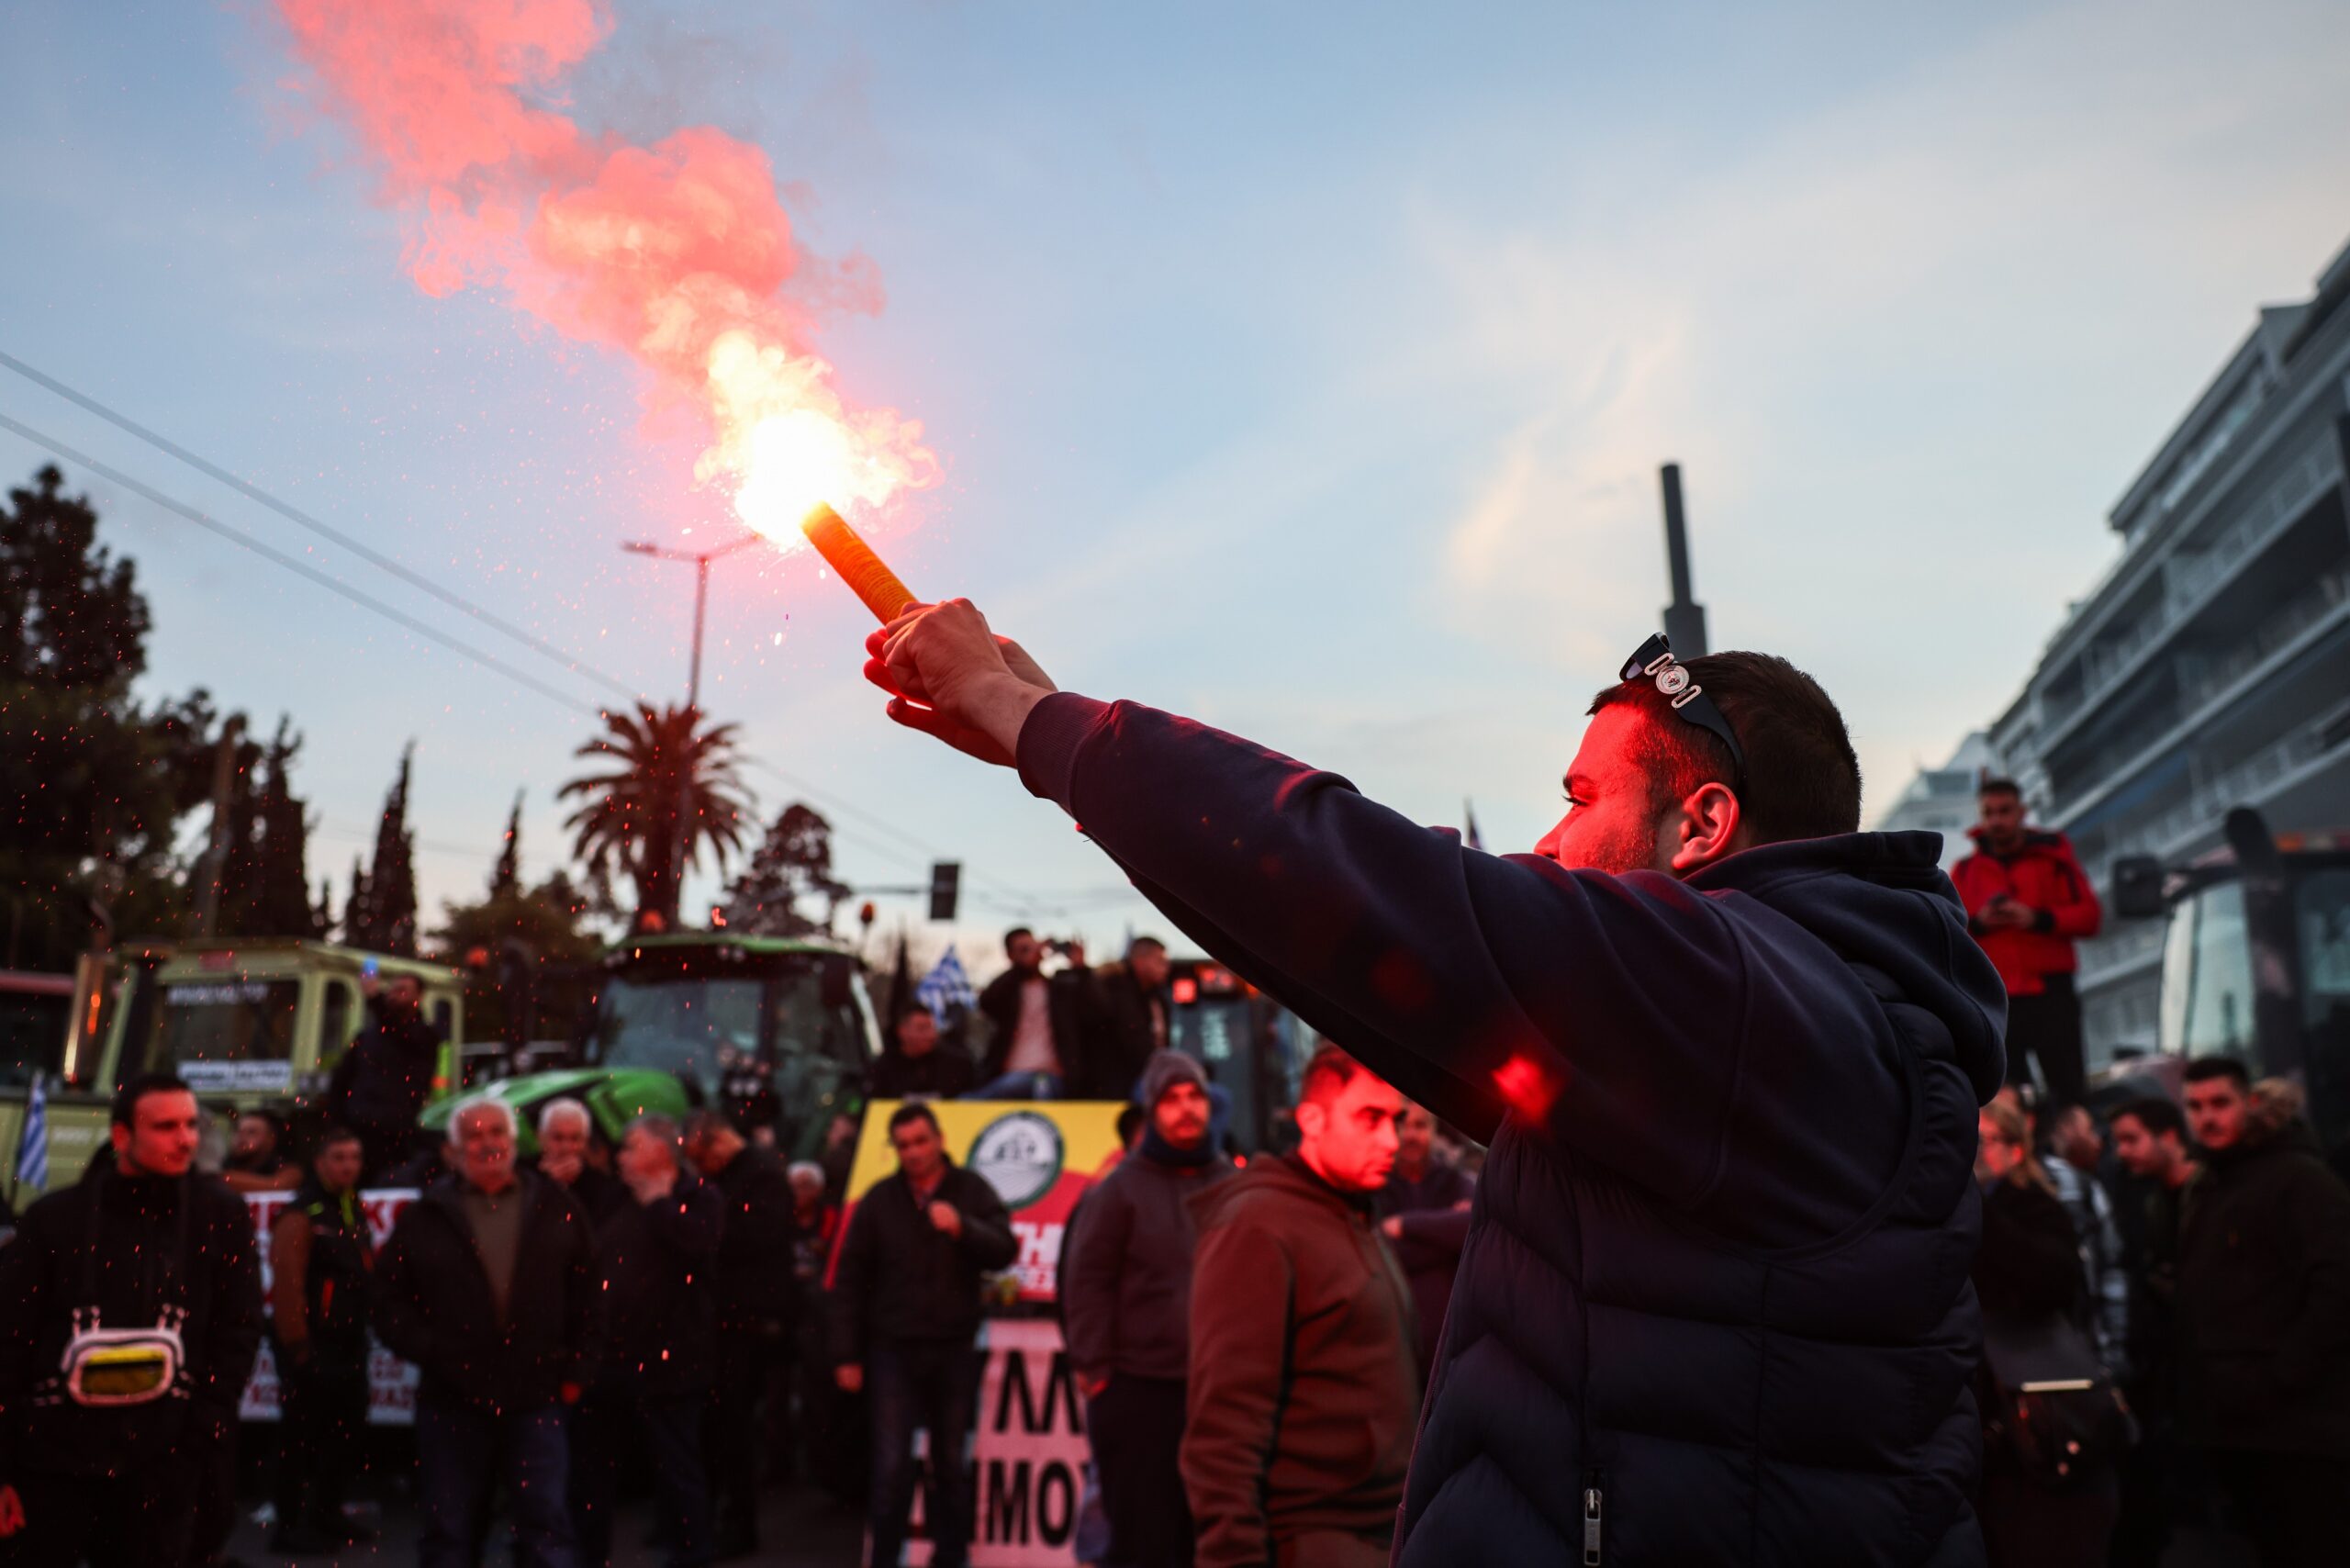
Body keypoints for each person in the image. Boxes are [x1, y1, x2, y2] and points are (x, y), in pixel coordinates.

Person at [863, 604, 2013, 1563]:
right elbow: (1353, 953)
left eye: (1579, 796)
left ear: (1703, 821)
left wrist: (1040, 725)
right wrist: (1071, 766)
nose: (1552, 841)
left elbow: (1389, 887)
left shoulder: (1756, 1002)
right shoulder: (1713, 1034)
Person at [0, 1073, 263, 1568]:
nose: (186, 1139)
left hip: (164, 1469)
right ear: (122, 1137)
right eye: (166, 1126)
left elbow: (238, 1333)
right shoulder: (56, 1220)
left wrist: (197, 1444)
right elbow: (9, 1341)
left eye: (190, 1124)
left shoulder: (220, 1217)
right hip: (53, 1467)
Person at [1181, 1045, 1415, 1567]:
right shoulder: (1258, 1226)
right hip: (1311, 1539)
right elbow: (1223, 1431)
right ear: (1312, 1119)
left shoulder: (1352, 1213)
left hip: (1382, 1532)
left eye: (1396, 1121)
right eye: (1370, 1118)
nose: (1391, 1140)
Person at [375, 1095, 598, 1568]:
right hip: (453, 1402)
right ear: (454, 1150)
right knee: (450, 1532)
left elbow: (590, 1296)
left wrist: (577, 1370)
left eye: (497, 1131)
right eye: (474, 1135)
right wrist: (434, 1353)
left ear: (516, 1142)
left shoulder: (558, 1206)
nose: (488, 1143)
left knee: (545, 1529)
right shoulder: (424, 1217)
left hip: (537, 1398)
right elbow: (388, 1302)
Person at [2174, 1057, 2350, 1567]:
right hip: (2239, 1429)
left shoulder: (2300, 1180)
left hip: (2302, 1435)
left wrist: (2280, 1376)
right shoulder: (2209, 1185)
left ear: (2250, 1104)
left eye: (2220, 1103)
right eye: (2195, 1106)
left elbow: (2338, 1287)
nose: (2206, 1118)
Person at [1062, 1052, 1236, 1568]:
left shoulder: (1230, 1180)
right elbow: (1086, 1280)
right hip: (1139, 1394)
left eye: (1194, 1097)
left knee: (1207, 1537)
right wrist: (1095, 1370)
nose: (1186, 1110)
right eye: (1171, 1100)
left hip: (1219, 1392)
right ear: (1152, 1111)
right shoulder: (1120, 1190)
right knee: (1144, 1539)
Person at [831, 1103, 1018, 1568]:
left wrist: (963, 1227)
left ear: (939, 1140)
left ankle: (950, 1558)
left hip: (954, 1349)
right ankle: (885, 1559)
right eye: (905, 1145)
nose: (914, 1153)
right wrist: (845, 1354)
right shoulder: (879, 1201)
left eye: (921, 1141)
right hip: (893, 1349)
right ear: (895, 1149)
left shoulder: (971, 1190)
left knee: (951, 1464)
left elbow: (1005, 1250)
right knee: (891, 1467)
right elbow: (850, 1280)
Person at [572, 1115, 723, 1568]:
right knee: (591, 1470)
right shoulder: (615, 1197)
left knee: (677, 1467)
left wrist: (660, 1206)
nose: (621, 1156)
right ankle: (586, 1554)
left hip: (671, 1361)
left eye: (631, 1146)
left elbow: (698, 1247)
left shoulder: (699, 1198)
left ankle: (691, 1554)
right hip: (610, 1357)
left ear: (662, 1149)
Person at [1971, 1100, 2117, 1566]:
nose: (1971, 1153)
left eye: (1982, 1140)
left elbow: (2052, 1281)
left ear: (2015, 1150)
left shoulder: (2034, 1204)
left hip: (2028, 1410)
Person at [681, 1109, 797, 1557]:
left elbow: (757, 1237)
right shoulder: (743, 1175)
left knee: (732, 1425)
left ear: (715, 1143)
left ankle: (737, 1522)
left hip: (748, 1318)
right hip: (726, 1316)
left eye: (699, 1160)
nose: (698, 1171)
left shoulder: (763, 1175)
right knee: (715, 1423)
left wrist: (706, 1222)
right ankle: (706, 1512)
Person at [1953, 778, 2102, 1111]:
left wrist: (2037, 919)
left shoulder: (2054, 859)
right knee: (2008, 1103)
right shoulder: (1964, 872)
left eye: (2004, 811)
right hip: (1998, 999)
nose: (1996, 821)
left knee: (2070, 1096)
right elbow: (1951, 932)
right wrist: (1980, 922)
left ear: (2022, 812)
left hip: (2051, 994)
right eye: (1989, 813)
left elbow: (2090, 917)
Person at [267, 1126, 377, 1554]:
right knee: (299, 1438)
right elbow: (288, 1284)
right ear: (320, 1163)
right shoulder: (303, 1213)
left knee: (344, 1435)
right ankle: (288, 1524)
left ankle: (327, 1513)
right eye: (339, 1157)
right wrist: (298, 1347)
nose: (348, 1165)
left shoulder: (352, 1208)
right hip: (313, 1345)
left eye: (354, 1157)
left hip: (349, 1342)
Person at [2107, 1095, 2198, 1568]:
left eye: (2131, 1139)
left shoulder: (2206, 1188)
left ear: (2167, 1136)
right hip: (2156, 1352)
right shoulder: (2129, 1189)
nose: (2122, 1151)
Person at [1376, 1101, 1475, 1372]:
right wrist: (1447, 1231)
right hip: (1394, 1349)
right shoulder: (1377, 1185)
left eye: (1420, 1125)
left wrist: (1406, 1224)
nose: (1411, 1135)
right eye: (1403, 1125)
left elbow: (1474, 1230)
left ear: (1433, 1130)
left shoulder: (1456, 1181)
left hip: (1455, 1348)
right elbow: (1380, 1252)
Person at [324, 971, 445, 1181]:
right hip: (359, 1130)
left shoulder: (425, 1035)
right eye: (392, 989)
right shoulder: (366, 1037)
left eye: (402, 990)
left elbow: (401, 1033)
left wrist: (374, 998)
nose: (393, 995)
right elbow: (341, 1080)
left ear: (419, 997)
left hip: (396, 1136)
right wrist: (336, 1123)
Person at [973, 928, 1089, 1098]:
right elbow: (986, 1002)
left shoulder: (1059, 989)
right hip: (1008, 1076)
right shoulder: (1008, 991)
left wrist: (1082, 969)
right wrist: (1020, 965)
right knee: (969, 1101)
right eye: (1023, 949)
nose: (1032, 953)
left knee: (1039, 1089)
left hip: (1049, 1076)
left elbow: (1099, 1010)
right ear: (1010, 955)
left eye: (1033, 946)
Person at [1080, 937, 1174, 1101]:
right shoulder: (1116, 991)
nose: (1166, 968)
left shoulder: (1158, 1000)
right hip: (1119, 1085)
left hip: (1150, 1076)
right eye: (1159, 961)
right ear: (1139, 961)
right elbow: (1133, 1038)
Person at [534, 1098, 625, 1224]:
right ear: (541, 1138)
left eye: (575, 1139)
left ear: (585, 1141)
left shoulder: (602, 1187)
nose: (566, 1147)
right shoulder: (524, 1179)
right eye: (558, 1138)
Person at [867, 1005, 978, 1100]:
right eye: (922, 1028)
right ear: (902, 1031)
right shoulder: (883, 1069)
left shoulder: (958, 1065)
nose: (931, 1035)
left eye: (932, 1028)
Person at [221, 1107, 301, 1193]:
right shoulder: (223, 1164)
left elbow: (280, 1184)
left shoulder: (285, 1168)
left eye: (251, 1132)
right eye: (238, 1131)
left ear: (270, 1139)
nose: (241, 1137)